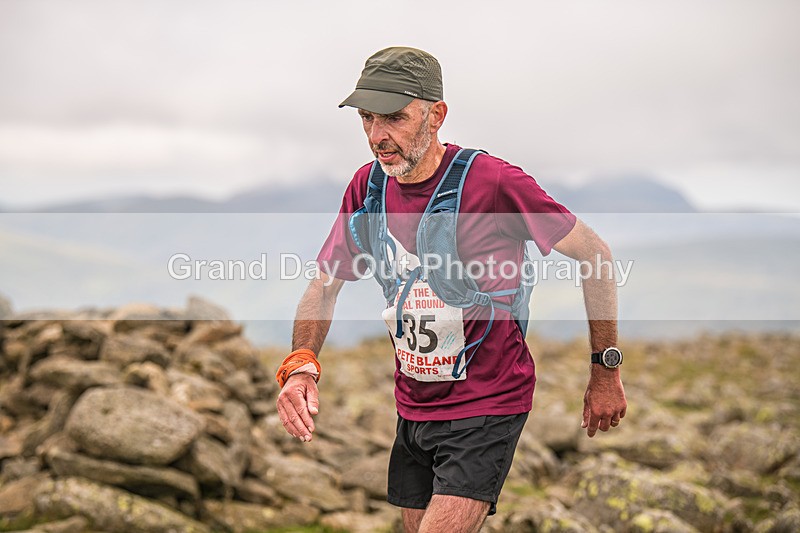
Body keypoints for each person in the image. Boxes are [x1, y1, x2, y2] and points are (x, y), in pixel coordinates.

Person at [276, 46, 627, 533]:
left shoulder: (494, 184)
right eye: (367, 118)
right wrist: (301, 365)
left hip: (488, 405)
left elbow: (595, 254)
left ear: (436, 114)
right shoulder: (367, 189)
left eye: (395, 118)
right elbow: (324, 284)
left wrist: (604, 369)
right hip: (413, 406)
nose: (378, 136)